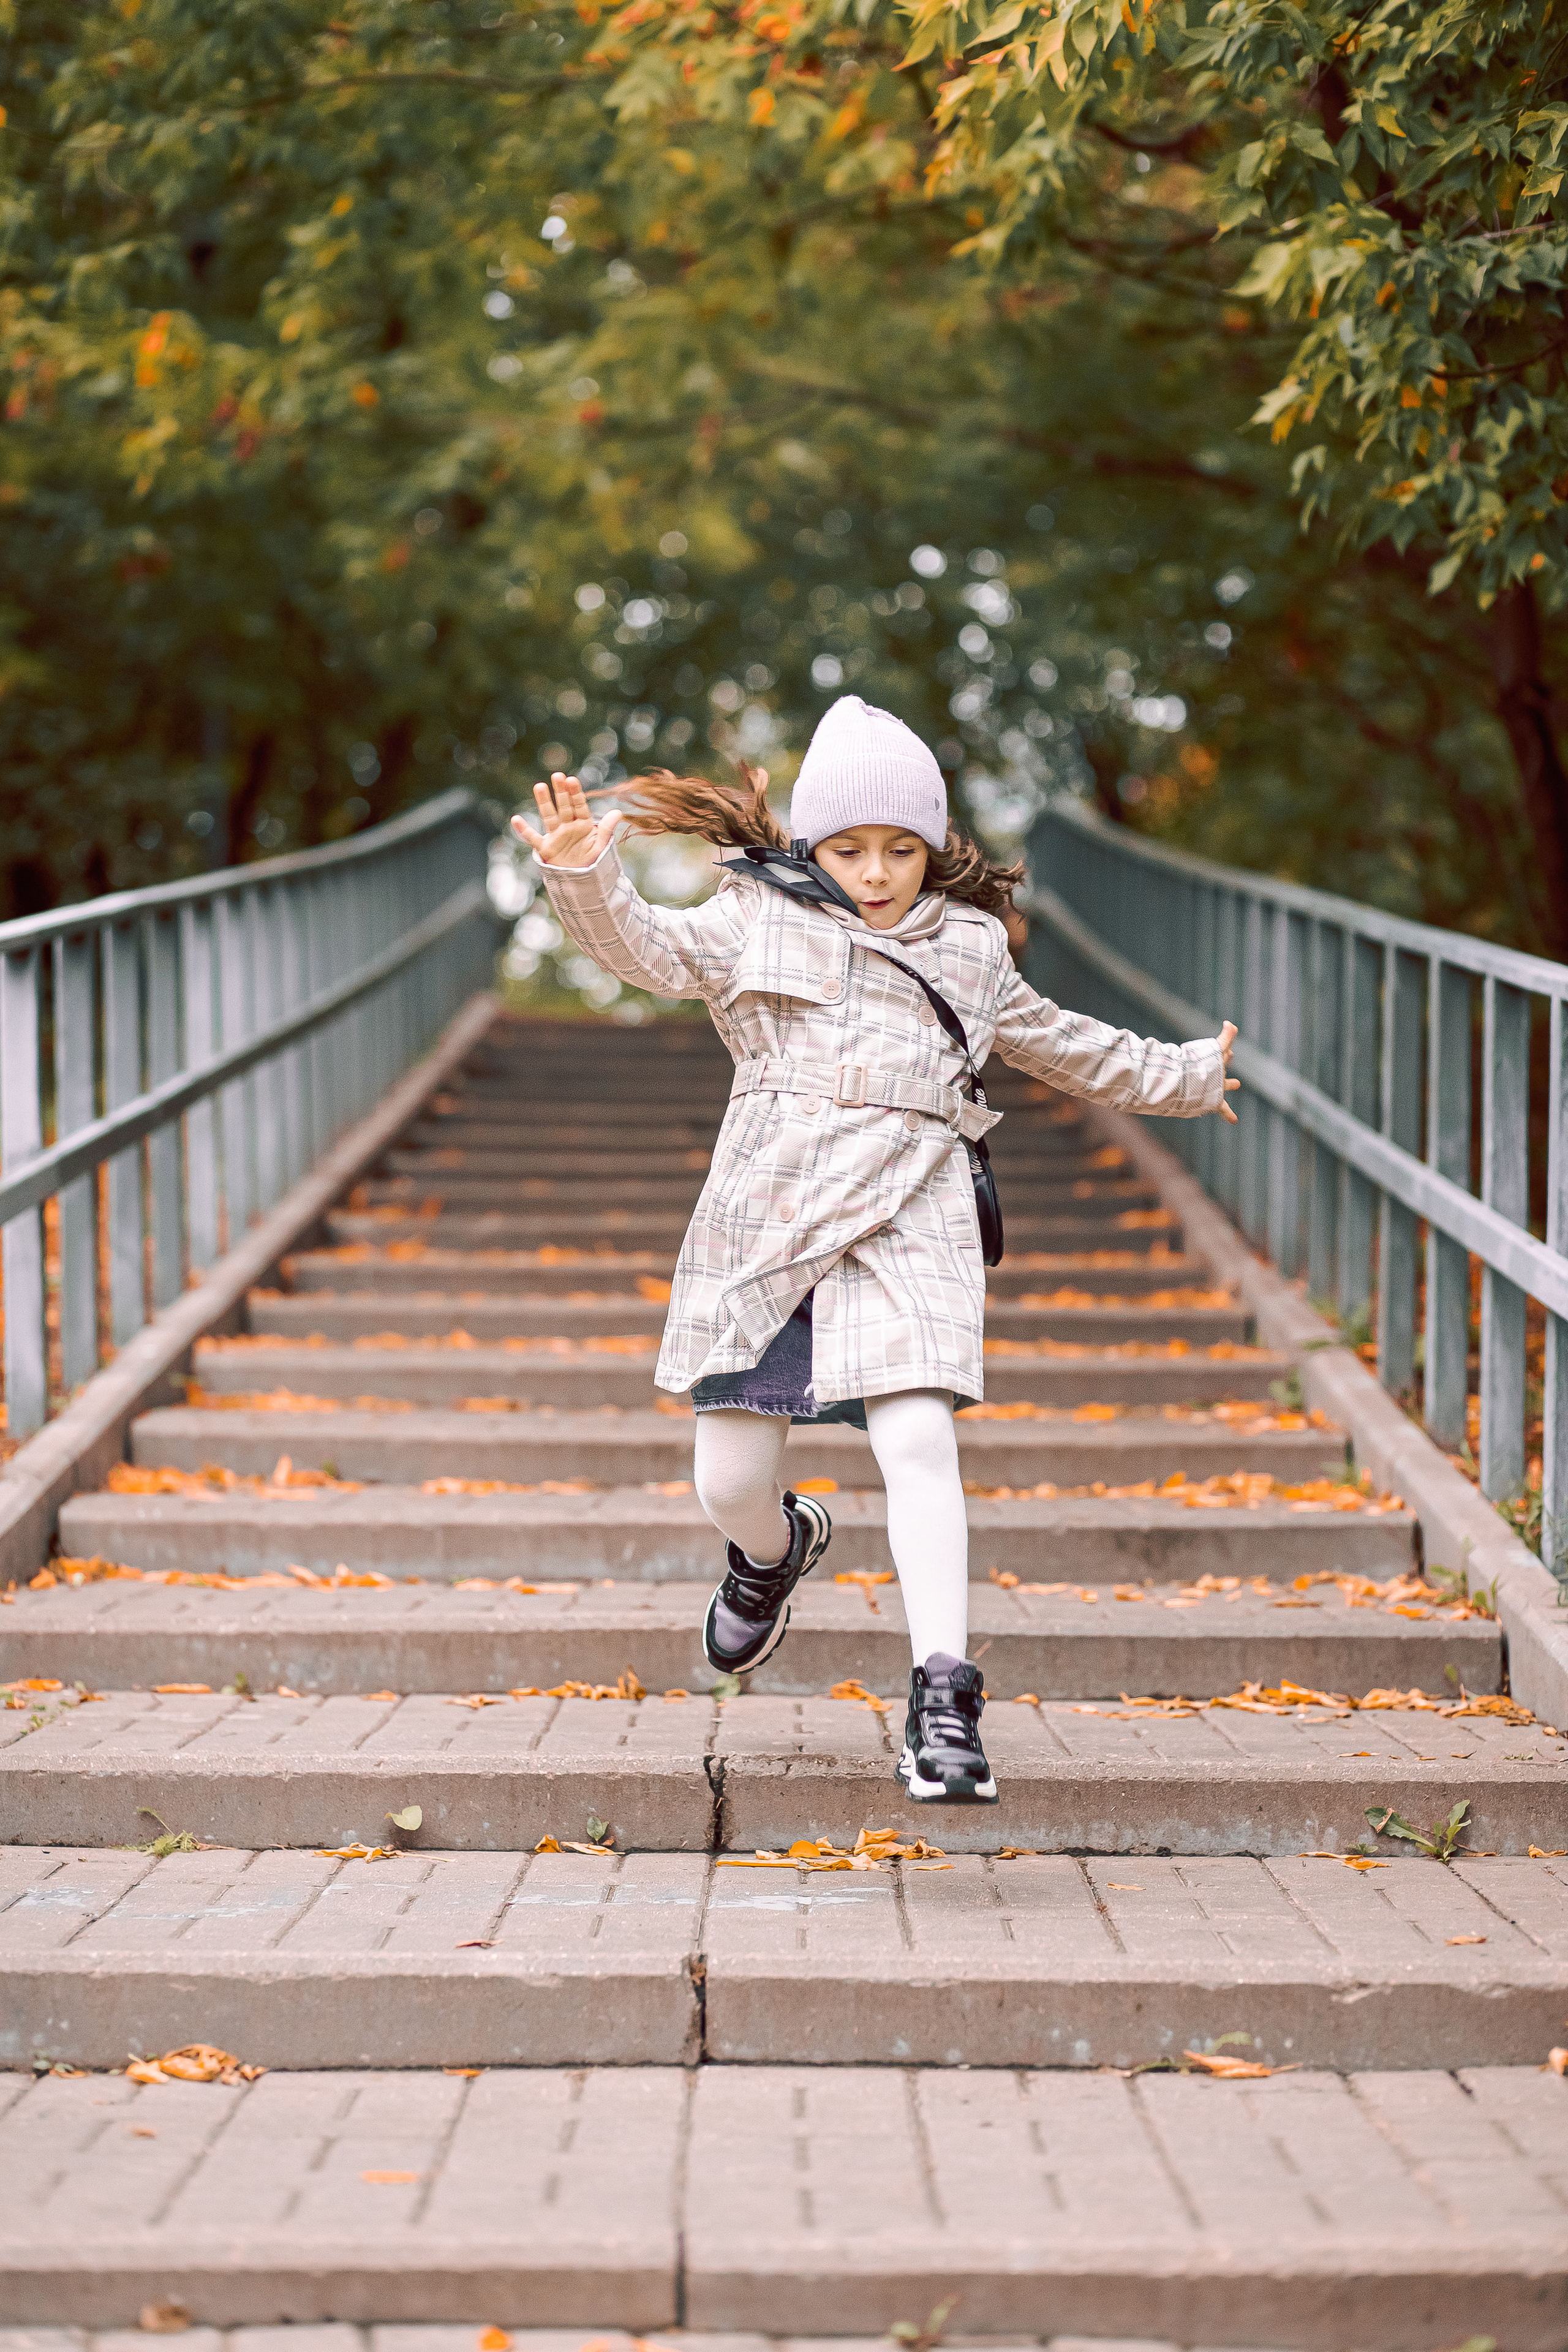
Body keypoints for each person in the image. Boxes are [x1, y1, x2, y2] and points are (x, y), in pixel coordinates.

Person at [513, 695, 1239, 1806]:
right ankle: (771, 1553)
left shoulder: (970, 947)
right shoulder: (756, 913)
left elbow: (1061, 1043)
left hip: (913, 1211)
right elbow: (649, 951)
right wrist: (583, 876)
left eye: (902, 849)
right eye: (849, 849)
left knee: (920, 1441)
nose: (876, 872)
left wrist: (1185, 1075)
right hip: (773, 1219)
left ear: (933, 846)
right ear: (813, 843)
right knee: (728, 1481)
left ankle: (944, 1700)